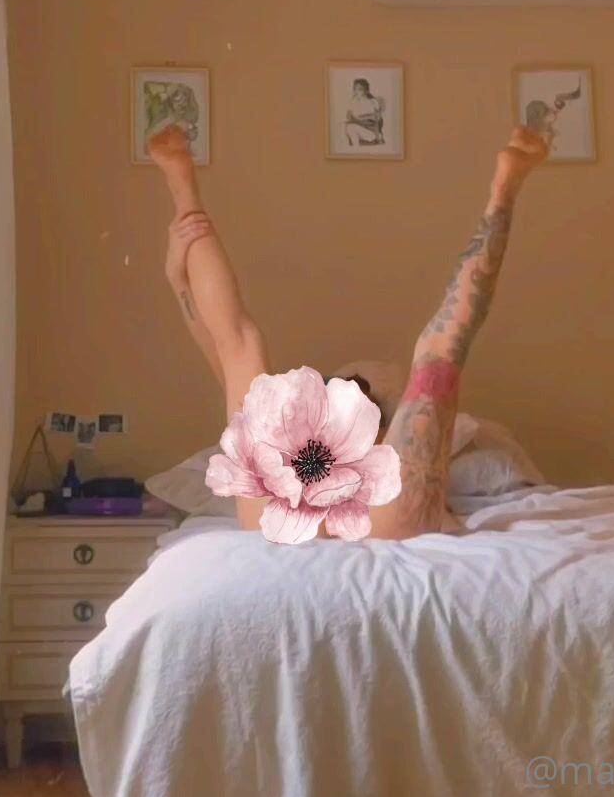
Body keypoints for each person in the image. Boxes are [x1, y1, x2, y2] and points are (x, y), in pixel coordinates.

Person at [147, 123, 548, 538]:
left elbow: (228, 343)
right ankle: (504, 189)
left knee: (241, 346)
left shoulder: (286, 456)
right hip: (378, 514)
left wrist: (179, 269)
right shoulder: (382, 461)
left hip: (296, 512)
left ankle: (182, 185)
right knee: (442, 349)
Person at [344, 78, 385, 147]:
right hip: (359, 129)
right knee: (346, 127)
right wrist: (350, 116)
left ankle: (356, 149)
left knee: (350, 127)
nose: (356, 92)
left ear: (366, 91)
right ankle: (354, 148)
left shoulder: (372, 102)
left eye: (360, 89)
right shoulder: (353, 102)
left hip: (371, 131)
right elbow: (349, 116)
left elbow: (377, 117)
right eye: (355, 89)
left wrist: (361, 118)